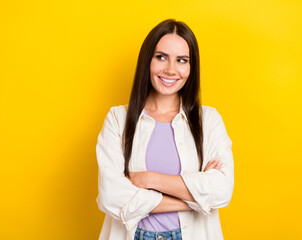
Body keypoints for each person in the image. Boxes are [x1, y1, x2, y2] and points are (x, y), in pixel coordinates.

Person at [96, 19, 234, 240]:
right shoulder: (117, 119)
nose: (171, 70)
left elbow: (221, 191)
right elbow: (111, 196)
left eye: (182, 60)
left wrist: (150, 179)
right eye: (161, 57)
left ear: (191, 67)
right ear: (147, 61)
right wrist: (194, 201)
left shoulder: (209, 120)